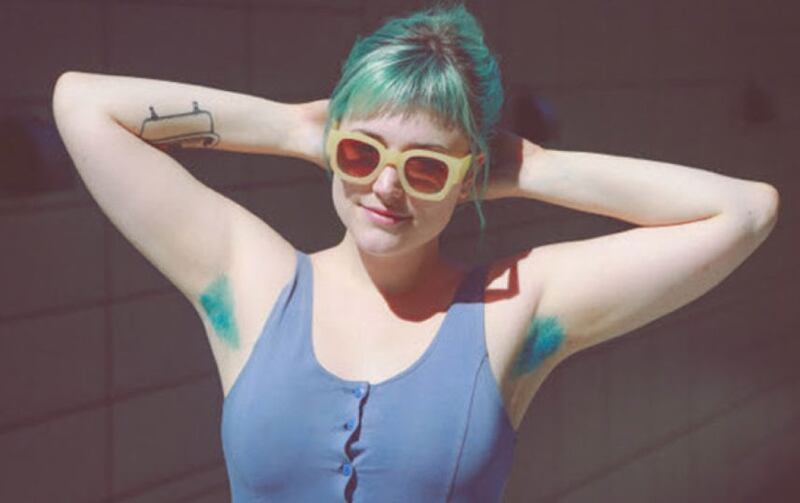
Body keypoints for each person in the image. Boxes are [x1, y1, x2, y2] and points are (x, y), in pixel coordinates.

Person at [51, 2, 779, 502]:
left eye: (427, 168)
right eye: (360, 151)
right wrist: (292, 127)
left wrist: (532, 168)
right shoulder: (253, 278)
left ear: (468, 179)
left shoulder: (509, 309)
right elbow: (83, 104)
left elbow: (744, 212)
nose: (387, 186)